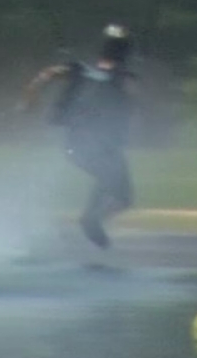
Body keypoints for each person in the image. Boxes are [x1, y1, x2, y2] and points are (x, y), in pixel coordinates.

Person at [18, 23, 141, 250]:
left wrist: (30, 100)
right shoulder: (124, 78)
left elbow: (46, 75)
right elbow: (131, 105)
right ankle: (91, 220)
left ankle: (91, 219)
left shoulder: (79, 70)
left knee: (109, 179)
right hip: (99, 146)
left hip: (74, 145)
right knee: (123, 195)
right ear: (126, 51)